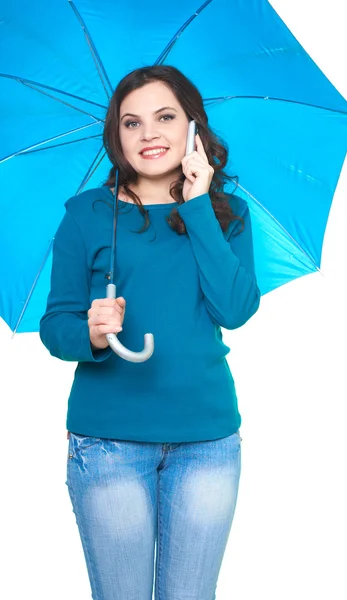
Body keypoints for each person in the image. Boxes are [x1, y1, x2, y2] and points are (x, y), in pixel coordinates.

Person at [39, 64, 261, 600]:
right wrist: (89, 333)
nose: (148, 134)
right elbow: (55, 325)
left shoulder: (228, 214)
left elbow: (235, 309)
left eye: (165, 117)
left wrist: (198, 205)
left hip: (206, 441)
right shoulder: (86, 215)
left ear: (193, 127)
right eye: (131, 123)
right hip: (108, 441)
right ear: (116, 135)